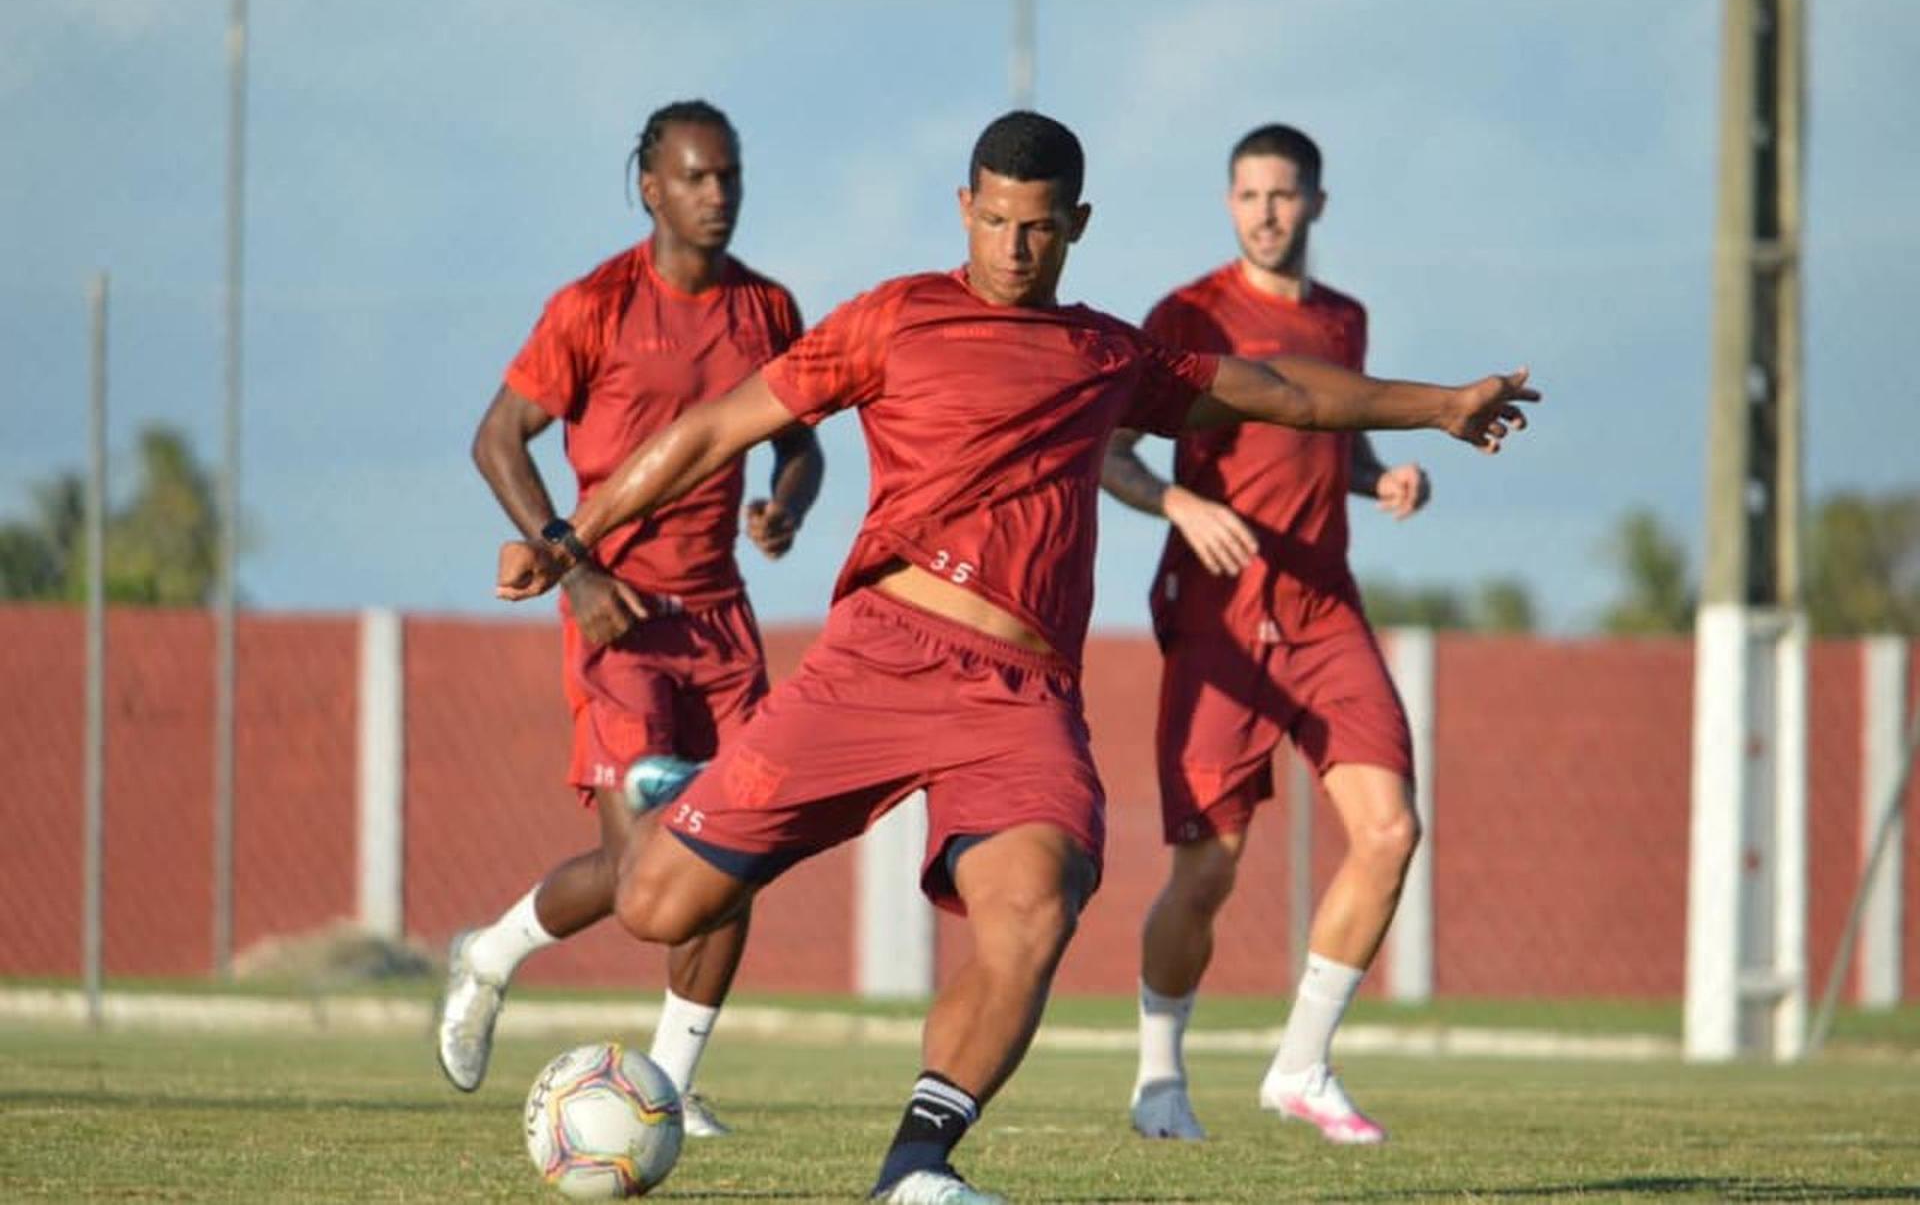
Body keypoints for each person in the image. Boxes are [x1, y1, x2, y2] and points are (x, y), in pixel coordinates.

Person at [493, 110, 1535, 1205]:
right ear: (964, 209)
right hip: (874, 666)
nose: (1013, 247)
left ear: (1077, 223)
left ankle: (916, 1169)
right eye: (993, 220)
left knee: (1035, 902)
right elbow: (712, 429)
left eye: (1037, 227)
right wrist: (573, 538)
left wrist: (1439, 407)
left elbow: (1274, 389)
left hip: (1019, 697)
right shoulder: (892, 318)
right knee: (661, 904)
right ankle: (584, 881)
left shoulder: (1105, 353)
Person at [435, 100, 823, 1139]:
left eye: (730, 176)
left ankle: (672, 1079)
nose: (717, 195)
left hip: (723, 627)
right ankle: (490, 952)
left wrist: (786, 504)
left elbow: (802, 442)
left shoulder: (769, 308)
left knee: (737, 851)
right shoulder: (595, 304)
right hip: (617, 622)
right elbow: (497, 440)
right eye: (696, 178)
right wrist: (575, 573)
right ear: (650, 188)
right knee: (650, 864)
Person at [1103, 123, 1435, 1146]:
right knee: (1209, 870)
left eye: (1285, 195)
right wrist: (1176, 506)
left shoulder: (1344, 319)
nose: (1267, 212)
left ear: (1317, 205)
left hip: (1326, 606)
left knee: (1391, 831)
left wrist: (1380, 474)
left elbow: (1337, 424)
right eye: (1249, 195)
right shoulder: (1190, 313)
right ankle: (1160, 1075)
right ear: (1229, 201)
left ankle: (1303, 1063)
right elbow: (1111, 452)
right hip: (1220, 615)